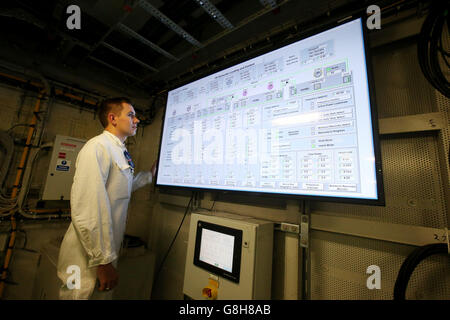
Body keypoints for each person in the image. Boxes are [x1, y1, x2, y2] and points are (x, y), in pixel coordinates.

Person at [56, 97, 156, 300]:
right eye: (130, 115)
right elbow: (88, 205)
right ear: (113, 118)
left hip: (103, 252)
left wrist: (150, 176)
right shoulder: (97, 147)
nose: (136, 120)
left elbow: (121, 188)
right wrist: (103, 261)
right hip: (88, 257)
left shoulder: (119, 151)